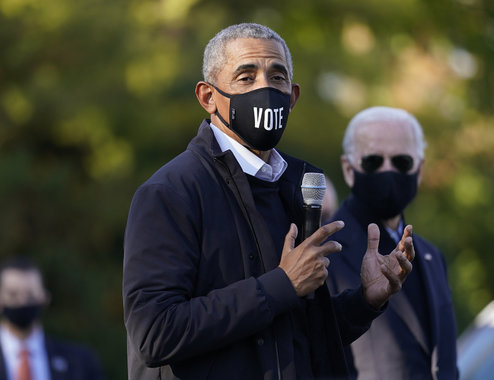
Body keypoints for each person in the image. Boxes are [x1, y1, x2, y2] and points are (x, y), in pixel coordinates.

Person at [122, 23, 415, 380]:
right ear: (208, 96)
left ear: (292, 97)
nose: (264, 87)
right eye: (246, 77)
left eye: (276, 78)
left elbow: (296, 337)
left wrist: (366, 301)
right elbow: (154, 335)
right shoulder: (171, 192)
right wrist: (280, 285)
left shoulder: (298, 185)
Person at [327, 106, 458, 380]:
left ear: (419, 169)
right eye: (374, 162)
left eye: (402, 162)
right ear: (349, 169)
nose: (388, 171)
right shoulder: (323, 251)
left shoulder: (432, 257)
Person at [0, 257, 105, 380]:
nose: (23, 302)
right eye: (13, 295)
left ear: (45, 298)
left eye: (30, 295)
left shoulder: (80, 362)